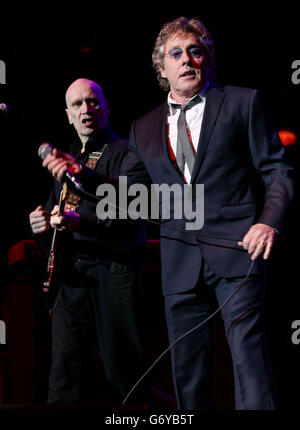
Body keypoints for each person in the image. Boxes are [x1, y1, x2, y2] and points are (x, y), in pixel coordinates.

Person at [41, 18, 294, 410]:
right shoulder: (143, 128)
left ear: (207, 60)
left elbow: (277, 170)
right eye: (175, 54)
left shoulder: (244, 102)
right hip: (179, 258)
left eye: (195, 51)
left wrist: (268, 221)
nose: (187, 60)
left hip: (238, 249)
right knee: (188, 374)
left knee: (248, 361)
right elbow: (131, 197)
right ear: (162, 69)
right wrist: (80, 175)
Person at [29, 78, 149, 406]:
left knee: (123, 373)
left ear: (106, 107)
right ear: (68, 115)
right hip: (72, 279)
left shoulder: (127, 151)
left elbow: (135, 209)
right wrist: (39, 224)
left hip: (113, 271)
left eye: (93, 102)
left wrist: (81, 221)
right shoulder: (66, 158)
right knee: (64, 376)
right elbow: (58, 212)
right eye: (78, 104)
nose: (86, 109)